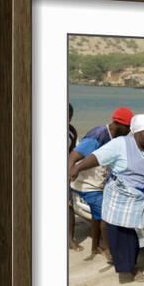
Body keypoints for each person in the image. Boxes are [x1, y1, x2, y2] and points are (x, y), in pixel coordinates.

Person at [70, 114, 144, 283]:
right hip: (119, 200)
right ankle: (126, 268)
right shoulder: (120, 144)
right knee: (119, 235)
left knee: (134, 237)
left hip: (138, 202)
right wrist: (78, 167)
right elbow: (97, 157)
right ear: (136, 132)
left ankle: (132, 266)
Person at [69, 106, 134, 261]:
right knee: (106, 214)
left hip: (98, 184)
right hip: (86, 185)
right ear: (118, 124)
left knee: (97, 217)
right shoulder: (98, 134)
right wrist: (71, 172)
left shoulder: (116, 138)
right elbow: (73, 155)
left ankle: (95, 246)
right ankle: (110, 250)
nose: (129, 132)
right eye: (128, 128)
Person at [68, 103, 83, 252]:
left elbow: (72, 153)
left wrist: (73, 170)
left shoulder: (71, 131)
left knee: (68, 205)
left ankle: (70, 239)